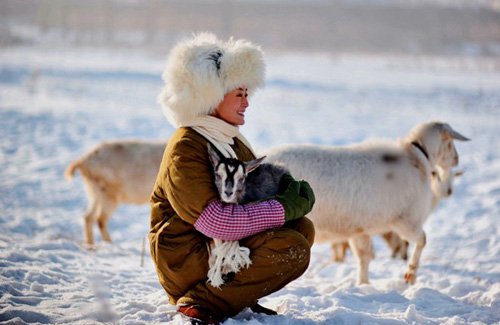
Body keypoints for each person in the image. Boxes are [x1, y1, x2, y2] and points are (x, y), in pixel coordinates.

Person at [149, 33, 316, 325]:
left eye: (247, 94)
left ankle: (234, 297)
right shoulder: (187, 146)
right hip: (187, 258)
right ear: (210, 96)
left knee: (301, 228)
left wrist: (283, 187)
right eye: (239, 94)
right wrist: (282, 207)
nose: (247, 103)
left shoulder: (229, 139)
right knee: (292, 246)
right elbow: (217, 221)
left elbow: (246, 192)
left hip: (214, 249)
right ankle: (202, 300)